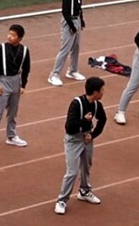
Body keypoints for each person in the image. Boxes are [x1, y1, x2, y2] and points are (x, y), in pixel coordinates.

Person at [54, 77, 107, 215]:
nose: (103, 92)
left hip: (87, 139)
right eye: (102, 90)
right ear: (95, 92)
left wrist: (93, 135)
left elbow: (103, 119)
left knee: (86, 166)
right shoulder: (76, 104)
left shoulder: (96, 105)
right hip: (73, 140)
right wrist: (84, 121)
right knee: (72, 171)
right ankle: (62, 200)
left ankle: (84, 191)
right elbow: (69, 127)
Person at [0, 24, 31, 154]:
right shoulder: (1, 49)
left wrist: (23, 85)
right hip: (3, 81)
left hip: (16, 81)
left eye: (13, 35)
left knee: (13, 112)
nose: (10, 37)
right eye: (9, 34)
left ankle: (11, 136)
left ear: (20, 38)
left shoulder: (25, 50)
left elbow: (26, 68)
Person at [48, 0, 87, 87]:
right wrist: (72, 26)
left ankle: (73, 70)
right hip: (69, 22)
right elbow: (65, 12)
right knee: (65, 49)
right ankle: (54, 74)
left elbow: (79, 7)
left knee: (76, 47)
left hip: (77, 20)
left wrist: (82, 20)